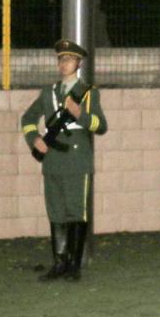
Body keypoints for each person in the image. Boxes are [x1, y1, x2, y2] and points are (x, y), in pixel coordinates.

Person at [20, 39, 107, 282]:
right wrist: (34, 139)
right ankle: (59, 264)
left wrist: (81, 115)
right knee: (56, 212)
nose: (63, 63)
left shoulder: (88, 93)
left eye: (69, 59)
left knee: (76, 212)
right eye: (61, 59)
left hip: (78, 161)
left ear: (79, 63)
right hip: (53, 161)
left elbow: (101, 126)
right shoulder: (48, 92)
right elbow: (28, 118)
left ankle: (74, 266)